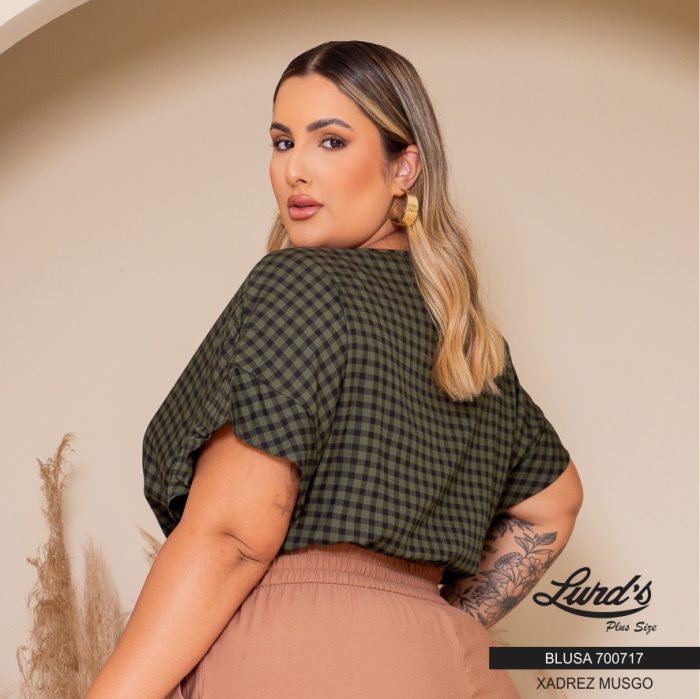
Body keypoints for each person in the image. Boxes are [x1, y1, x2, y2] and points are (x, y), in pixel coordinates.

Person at [86, 40, 583, 699]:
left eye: (330, 142)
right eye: (282, 142)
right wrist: (446, 623)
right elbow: (554, 502)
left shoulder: (298, 287)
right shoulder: (467, 340)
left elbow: (234, 536)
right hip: (449, 670)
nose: (295, 170)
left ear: (404, 166)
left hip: (298, 659)